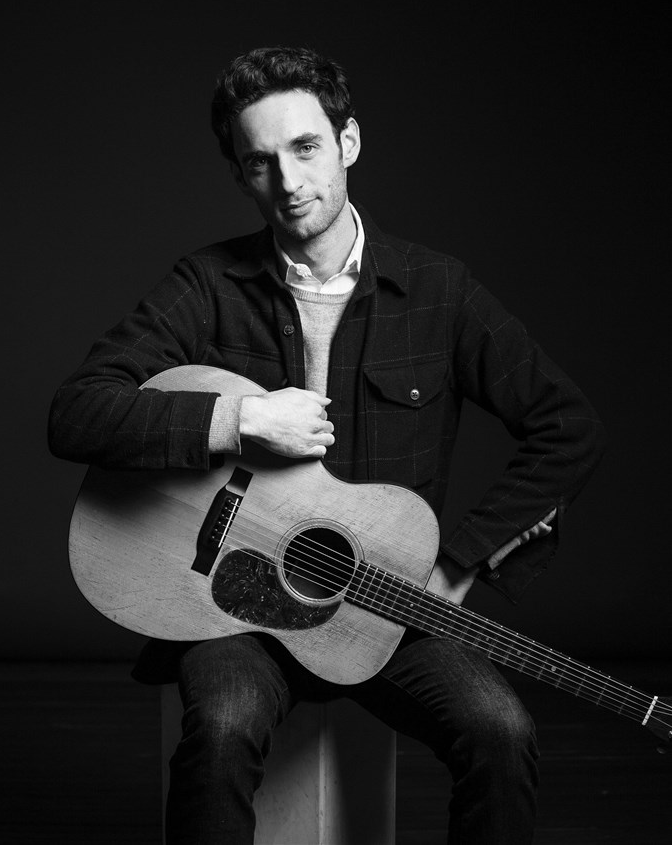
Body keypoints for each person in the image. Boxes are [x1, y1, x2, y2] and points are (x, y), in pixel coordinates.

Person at [48, 46, 606, 844]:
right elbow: (75, 413)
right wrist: (239, 421)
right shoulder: (206, 284)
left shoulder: (439, 290)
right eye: (260, 161)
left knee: (501, 729)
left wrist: (460, 562)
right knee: (224, 723)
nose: (289, 180)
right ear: (241, 175)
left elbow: (568, 426)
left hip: (383, 611)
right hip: (233, 608)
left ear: (348, 142)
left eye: (306, 147)